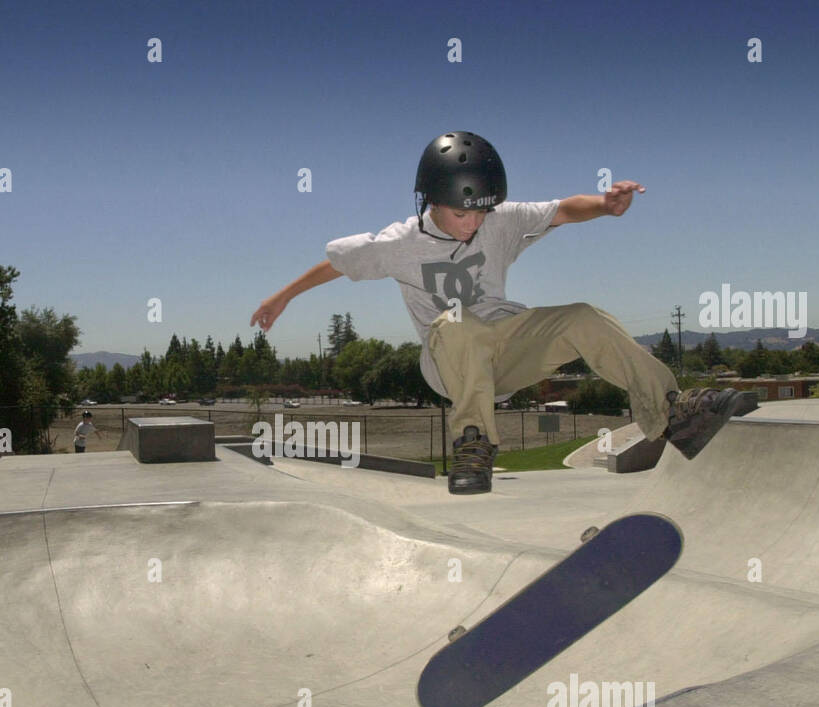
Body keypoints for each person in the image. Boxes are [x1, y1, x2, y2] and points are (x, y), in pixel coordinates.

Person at [251, 131, 752, 494]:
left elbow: (562, 209)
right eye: (461, 213)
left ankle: (671, 414)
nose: (473, 224)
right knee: (455, 322)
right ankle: (473, 444)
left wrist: (604, 204)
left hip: (508, 348)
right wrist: (282, 297)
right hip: (450, 361)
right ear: (431, 201)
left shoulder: (500, 220)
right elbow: (335, 263)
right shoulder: (397, 242)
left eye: (482, 212)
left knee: (583, 316)